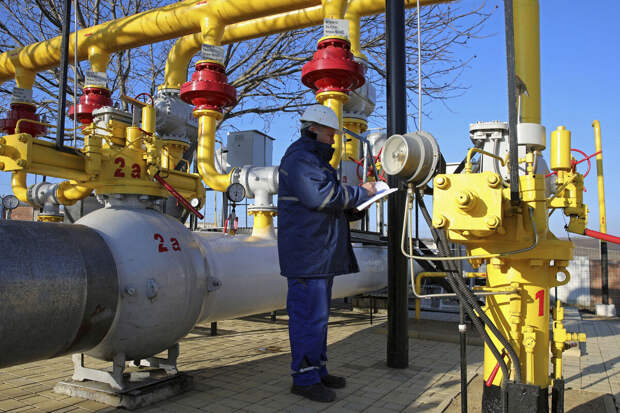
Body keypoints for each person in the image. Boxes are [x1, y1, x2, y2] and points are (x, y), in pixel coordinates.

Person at [277, 105, 377, 403]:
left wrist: (353, 207)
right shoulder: (301, 159)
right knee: (308, 318)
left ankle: (317, 371)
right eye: (330, 133)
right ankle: (304, 379)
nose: (334, 139)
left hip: (317, 253)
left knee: (318, 319)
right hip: (309, 255)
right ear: (313, 129)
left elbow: (327, 203)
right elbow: (321, 197)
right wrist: (364, 192)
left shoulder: (313, 160)